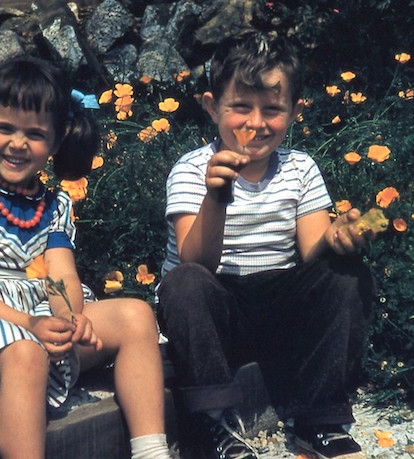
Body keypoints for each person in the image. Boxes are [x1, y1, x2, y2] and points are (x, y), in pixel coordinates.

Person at [0, 55, 172, 459]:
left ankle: (151, 449)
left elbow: (58, 275)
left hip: (37, 316)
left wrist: (69, 316)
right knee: (27, 355)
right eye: (4, 128)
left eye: (34, 134)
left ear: (55, 142)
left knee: (136, 316)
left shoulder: (53, 206)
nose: (18, 143)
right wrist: (31, 324)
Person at [156, 30, 375, 459]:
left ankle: (320, 422)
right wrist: (217, 195)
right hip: (216, 312)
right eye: (240, 107)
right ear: (211, 107)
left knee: (347, 275)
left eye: (272, 110)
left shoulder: (300, 168)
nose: (256, 124)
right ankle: (210, 428)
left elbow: (312, 253)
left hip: (279, 306)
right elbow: (196, 259)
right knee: (184, 283)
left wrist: (338, 237)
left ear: (294, 112)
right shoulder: (192, 169)